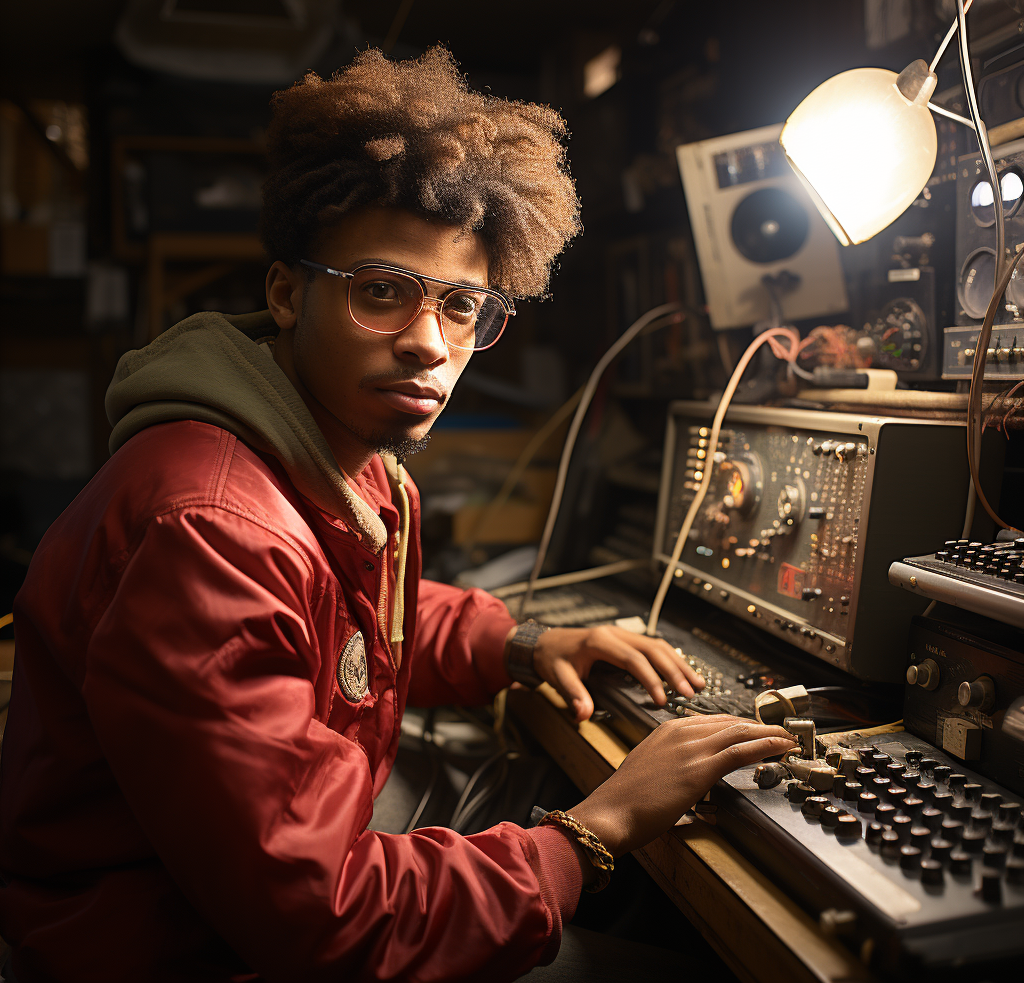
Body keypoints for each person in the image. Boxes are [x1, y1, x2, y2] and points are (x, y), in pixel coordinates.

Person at [0, 47, 796, 982]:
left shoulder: (335, 448)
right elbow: (330, 920)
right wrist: (601, 827)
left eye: (461, 305)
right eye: (383, 291)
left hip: (244, 895)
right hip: (166, 947)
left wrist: (523, 644)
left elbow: (349, 628)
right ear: (288, 293)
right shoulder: (211, 527)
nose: (428, 343)